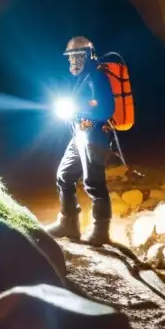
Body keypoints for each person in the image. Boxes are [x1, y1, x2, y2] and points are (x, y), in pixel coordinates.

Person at [46, 36, 115, 245]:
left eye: (76, 56)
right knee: (64, 175)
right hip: (80, 135)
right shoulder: (83, 79)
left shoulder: (97, 77)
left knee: (94, 183)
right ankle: (69, 223)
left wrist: (78, 109)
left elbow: (106, 109)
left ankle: (101, 230)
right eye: (70, 57)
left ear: (87, 56)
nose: (72, 61)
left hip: (94, 136)